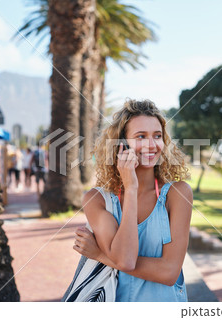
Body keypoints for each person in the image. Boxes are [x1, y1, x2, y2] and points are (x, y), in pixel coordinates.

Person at [72, 99, 193, 302]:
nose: (151, 144)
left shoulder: (178, 193)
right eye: (140, 136)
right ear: (122, 144)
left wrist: (101, 255)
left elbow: (169, 273)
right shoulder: (96, 199)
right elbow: (124, 260)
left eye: (157, 136)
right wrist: (131, 188)